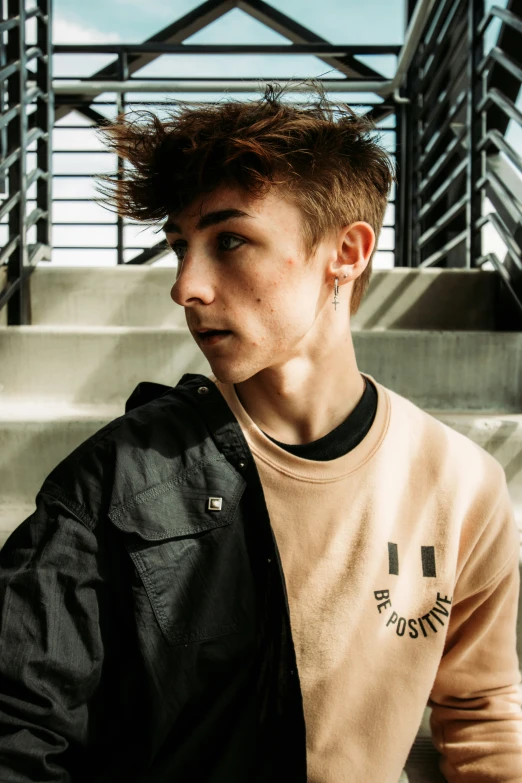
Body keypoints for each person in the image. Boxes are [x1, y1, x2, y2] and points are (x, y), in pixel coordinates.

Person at [0, 87, 521, 783]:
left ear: (347, 251)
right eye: (181, 247)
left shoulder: (460, 484)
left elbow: (482, 709)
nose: (186, 285)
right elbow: (22, 727)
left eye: (230, 240)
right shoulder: (114, 479)